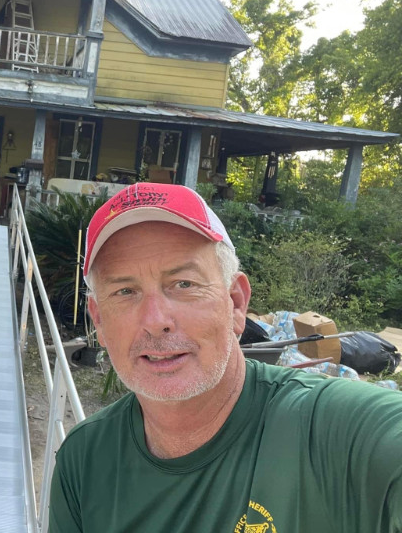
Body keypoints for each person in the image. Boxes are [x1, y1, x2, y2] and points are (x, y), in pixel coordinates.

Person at [49, 182, 402, 533]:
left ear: (235, 302)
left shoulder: (330, 435)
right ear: (99, 319)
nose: (156, 322)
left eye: (183, 284)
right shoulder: (84, 462)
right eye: (125, 292)